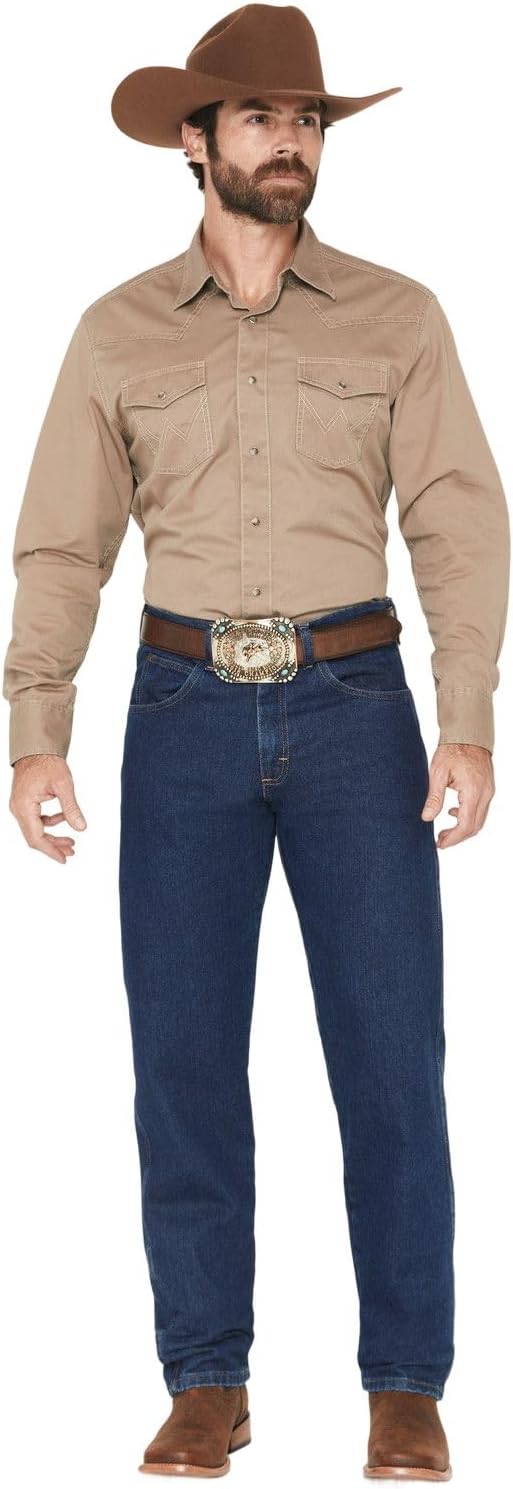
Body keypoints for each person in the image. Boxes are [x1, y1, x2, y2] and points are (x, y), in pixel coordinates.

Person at [3, 4, 510, 1480]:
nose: (291, 142)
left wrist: (467, 717)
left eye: (308, 121)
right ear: (196, 141)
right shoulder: (114, 331)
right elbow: (63, 545)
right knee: (181, 1062)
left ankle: (405, 1383)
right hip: (179, 718)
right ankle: (206, 1379)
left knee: (391, 1057)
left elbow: (457, 524)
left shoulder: (398, 316)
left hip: (358, 709)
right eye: (261, 118)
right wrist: (38, 728)